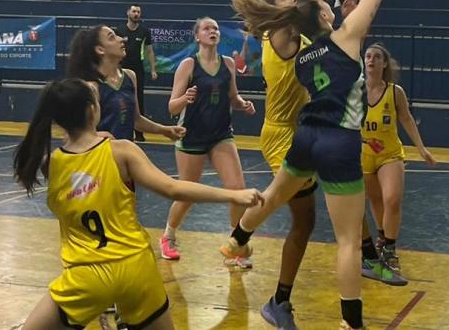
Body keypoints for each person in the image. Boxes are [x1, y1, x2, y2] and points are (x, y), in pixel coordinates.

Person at [220, 0, 388, 330]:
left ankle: (237, 239)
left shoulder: (303, 55)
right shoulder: (342, 39)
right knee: (346, 239)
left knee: (277, 194)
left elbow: (314, 3)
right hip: (333, 138)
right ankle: (352, 322)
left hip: (305, 135)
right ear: (323, 18)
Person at [13, 78, 264, 330]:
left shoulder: (50, 163)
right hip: (136, 269)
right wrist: (233, 195)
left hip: (87, 275)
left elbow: (78, 159)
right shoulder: (121, 150)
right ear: (93, 111)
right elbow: (173, 188)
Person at [159, 17, 256, 262]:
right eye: (207, 28)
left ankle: (237, 245)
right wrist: (186, 98)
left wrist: (243, 104)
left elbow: (233, 96)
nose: (212, 31)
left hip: (221, 134)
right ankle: (168, 236)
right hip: (192, 134)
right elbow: (172, 107)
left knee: (237, 189)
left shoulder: (229, 64)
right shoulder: (188, 65)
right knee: (187, 192)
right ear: (197, 36)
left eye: (215, 28)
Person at [361, 43, 435, 277]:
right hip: (362, 154)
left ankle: (390, 251)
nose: (371, 60)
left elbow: (407, 119)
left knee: (392, 199)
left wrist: (421, 148)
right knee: (375, 200)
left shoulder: (395, 92)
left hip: (389, 153)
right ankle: (383, 238)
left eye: (377, 57)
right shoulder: (355, 91)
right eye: (368, 56)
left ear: (384, 63)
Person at [67, 25, 180, 143]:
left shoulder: (130, 76)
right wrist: (100, 136)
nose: (121, 39)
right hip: (101, 156)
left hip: (124, 154)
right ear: (100, 49)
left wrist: (165, 130)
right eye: (112, 37)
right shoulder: (91, 87)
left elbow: (136, 120)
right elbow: (77, 135)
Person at [115, 5, 159, 141]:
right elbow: (115, 48)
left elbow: (150, 51)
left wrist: (153, 69)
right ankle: (119, 130)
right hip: (121, 68)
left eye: (138, 12)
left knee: (138, 100)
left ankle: (139, 133)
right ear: (128, 13)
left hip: (138, 69)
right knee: (119, 99)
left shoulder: (144, 32)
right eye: (134, 11)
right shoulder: (120, 30)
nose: (136, 14)